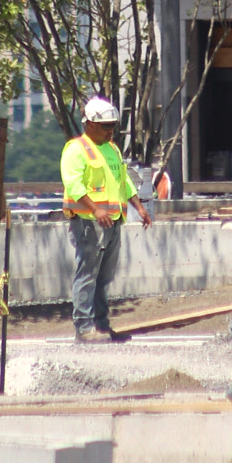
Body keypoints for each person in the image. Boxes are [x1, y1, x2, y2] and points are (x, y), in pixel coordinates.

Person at [61, 95, 152, 343]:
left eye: (113, 125)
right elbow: (73, 185)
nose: (111, 130)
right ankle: (84, 327)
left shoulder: (111, 149)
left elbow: (123, 180)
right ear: (89, 123)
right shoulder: (76, 149)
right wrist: (95, 209)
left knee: (104, 277)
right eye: (106, 126)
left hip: (112, 222)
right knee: (87, 274)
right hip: (88, 223)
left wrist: (138, 206)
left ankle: (101, 325)